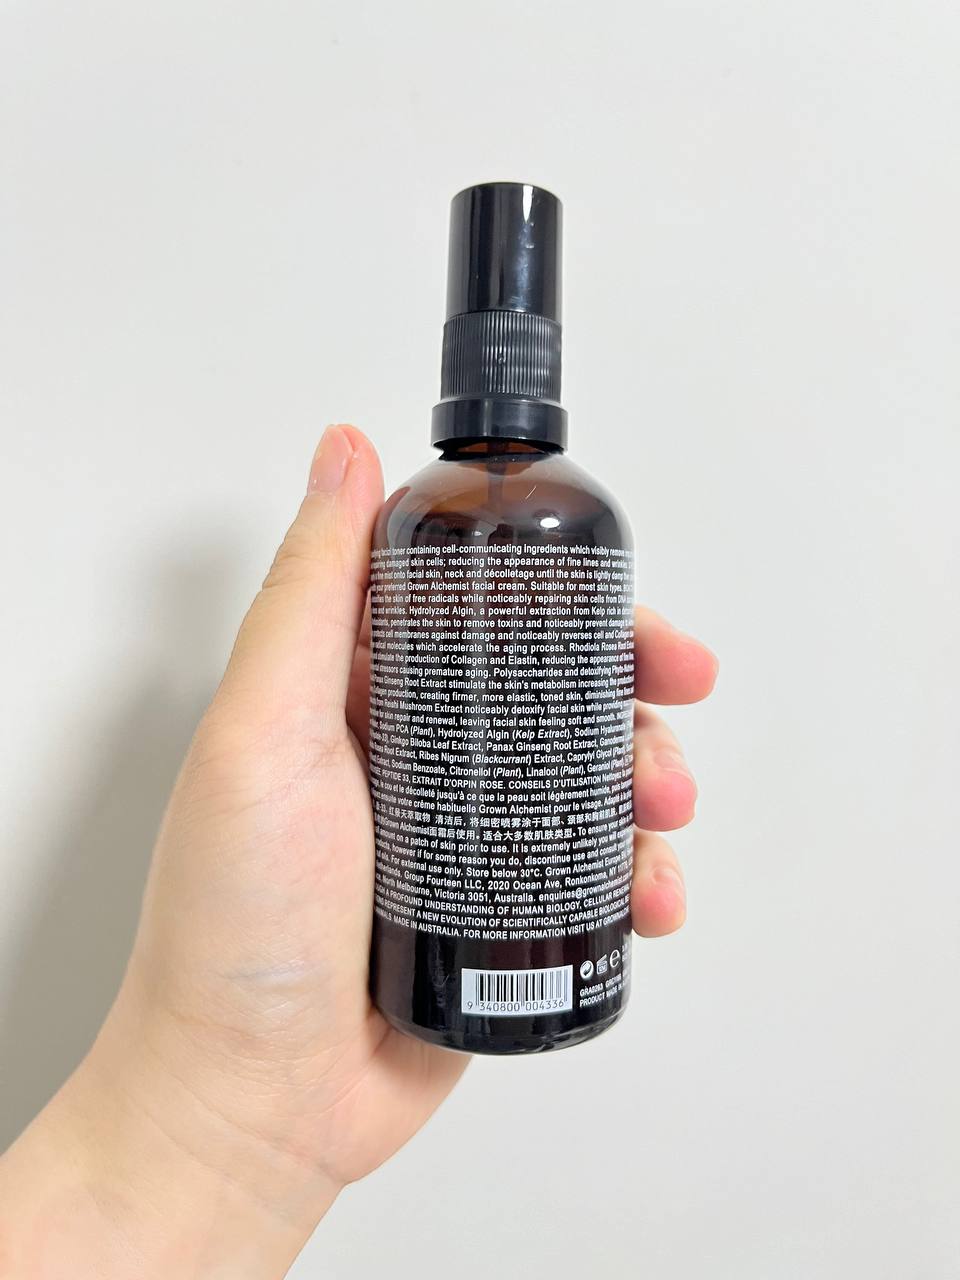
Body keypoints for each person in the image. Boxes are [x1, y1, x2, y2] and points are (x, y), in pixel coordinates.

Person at [0, 426, 718, 1276]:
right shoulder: (425, 519)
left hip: (543, 959)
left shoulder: (572, 520)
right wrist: (219, 1117)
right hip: (376, 981)